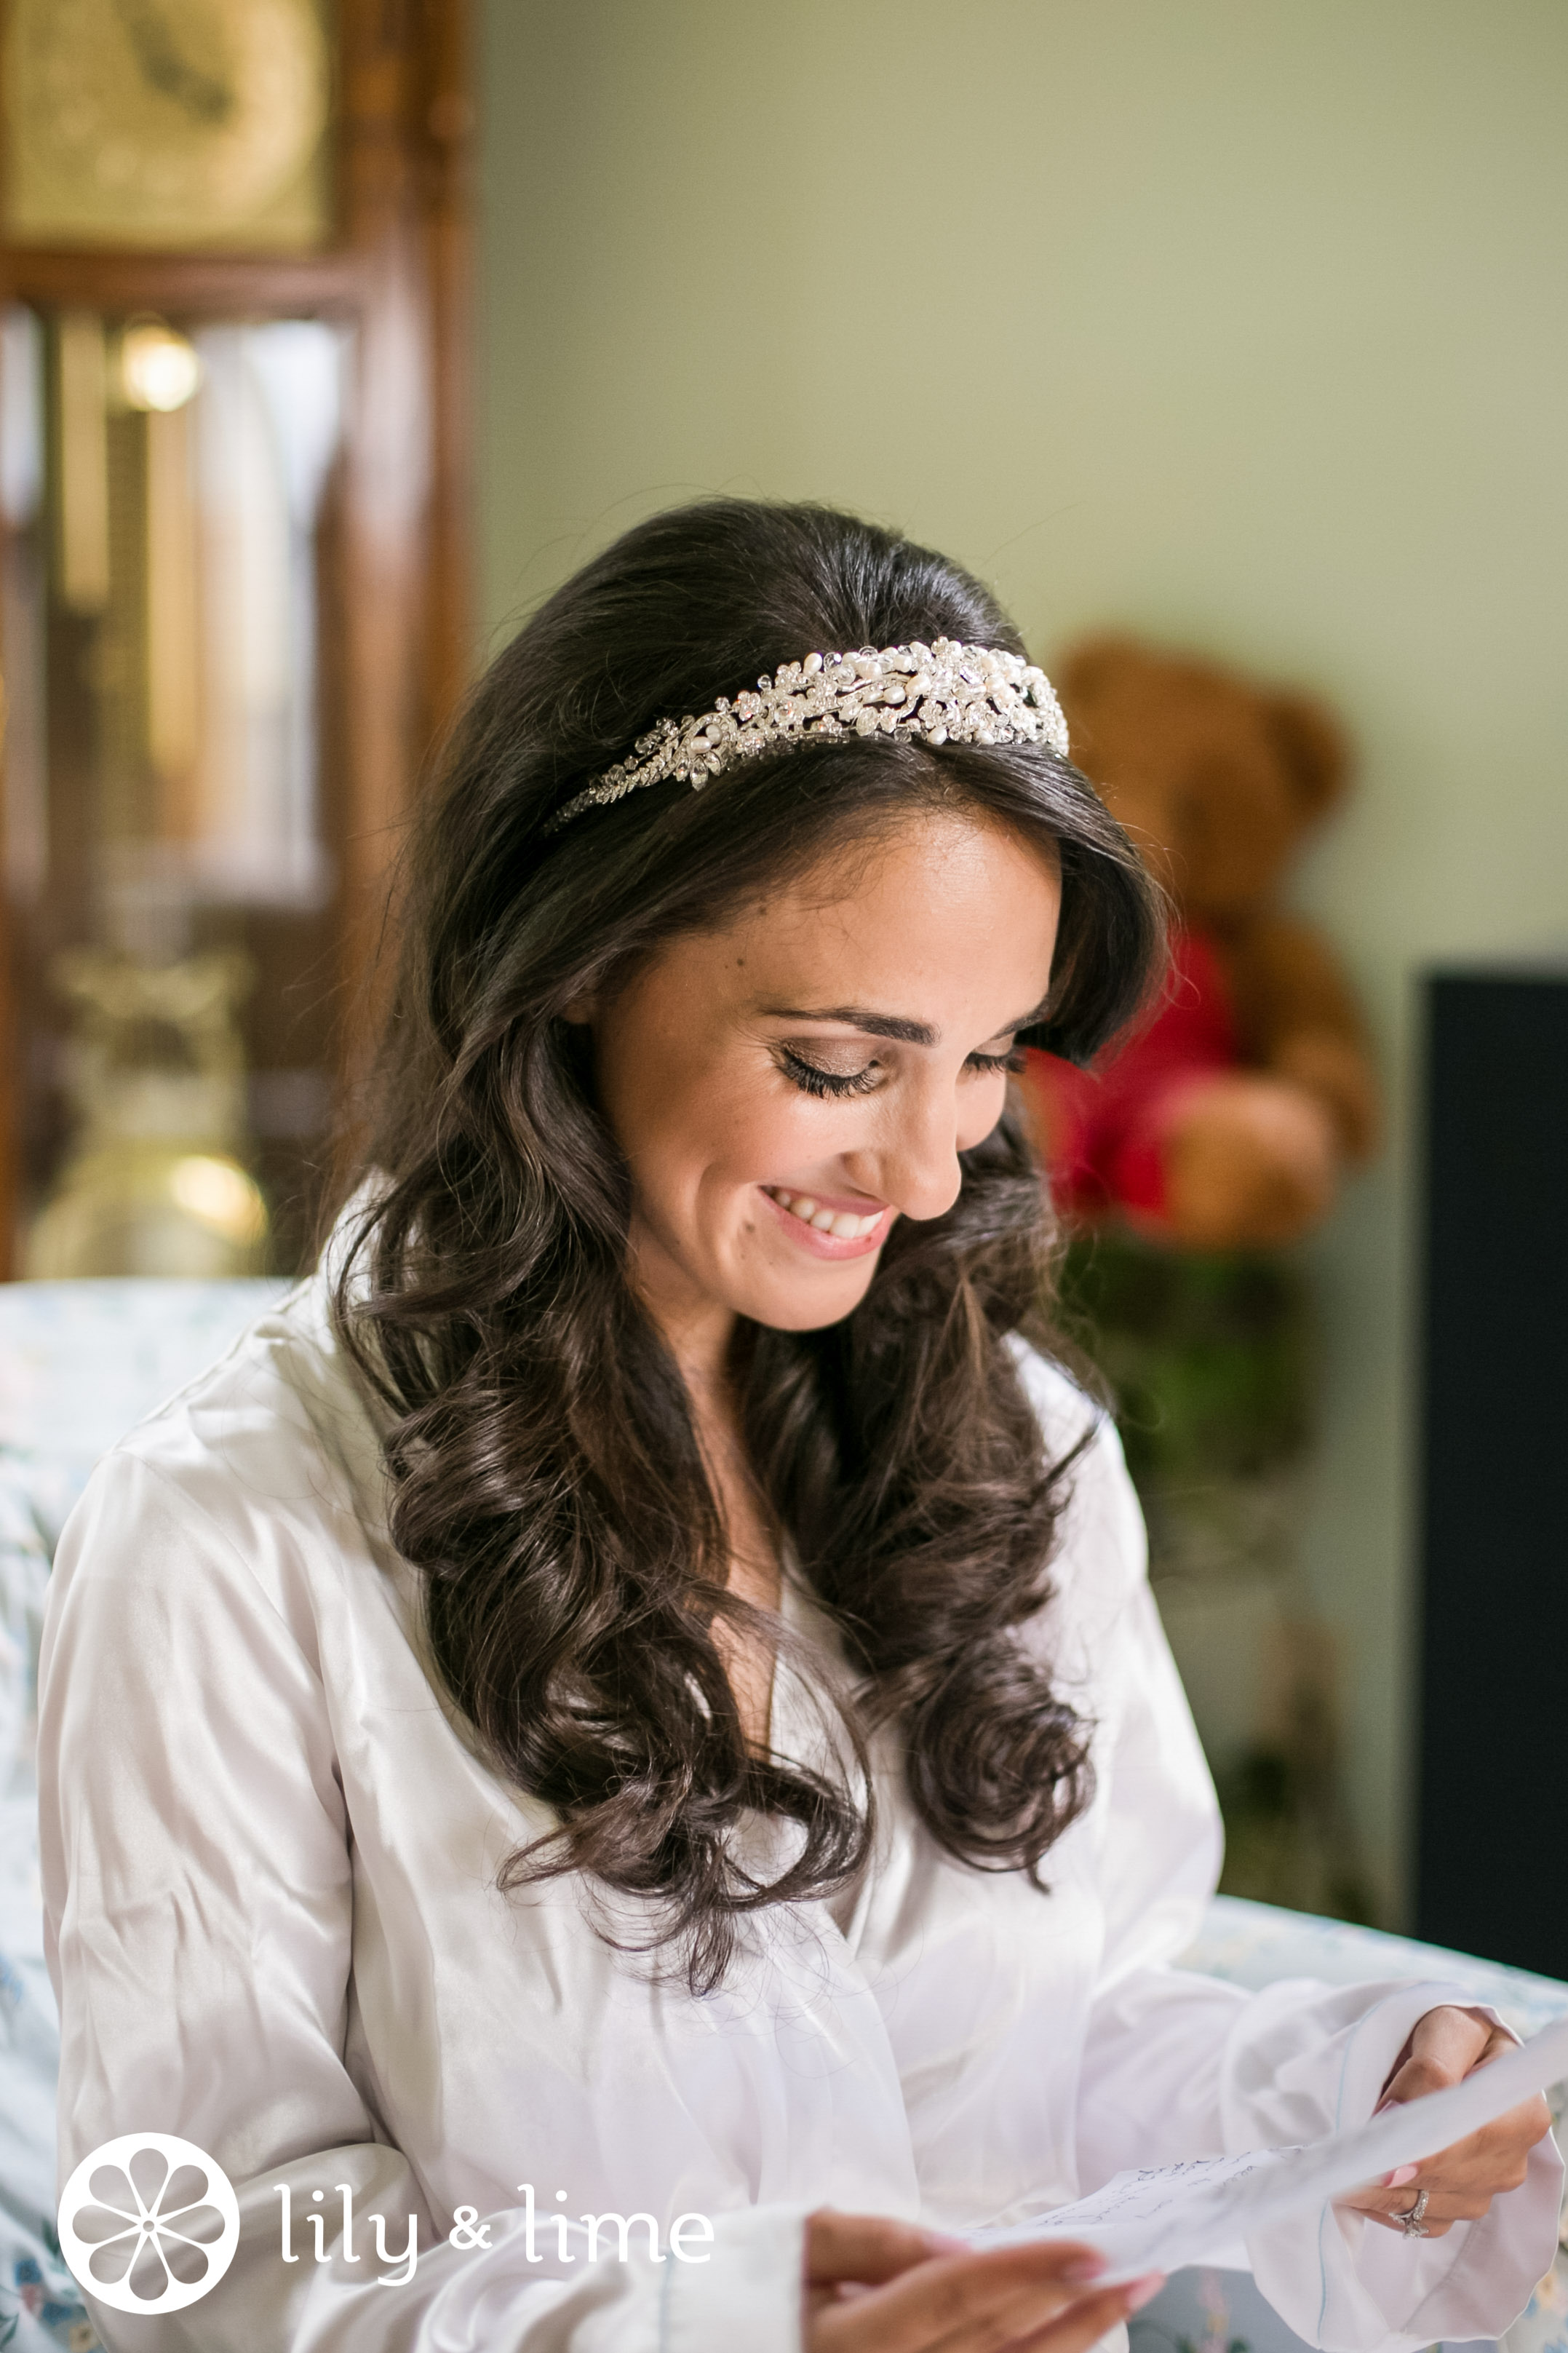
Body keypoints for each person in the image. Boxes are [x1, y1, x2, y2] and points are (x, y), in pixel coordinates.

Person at [39, 501, 1556, 2353]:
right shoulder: (234, 1534)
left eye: (988, 1057)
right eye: (836, 1066)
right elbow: (182, 2245)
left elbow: (1056, 2034)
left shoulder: (1018, 1444)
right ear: (575, 958)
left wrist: (1349, 2090)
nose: (930, 1172)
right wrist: (707, 2324)